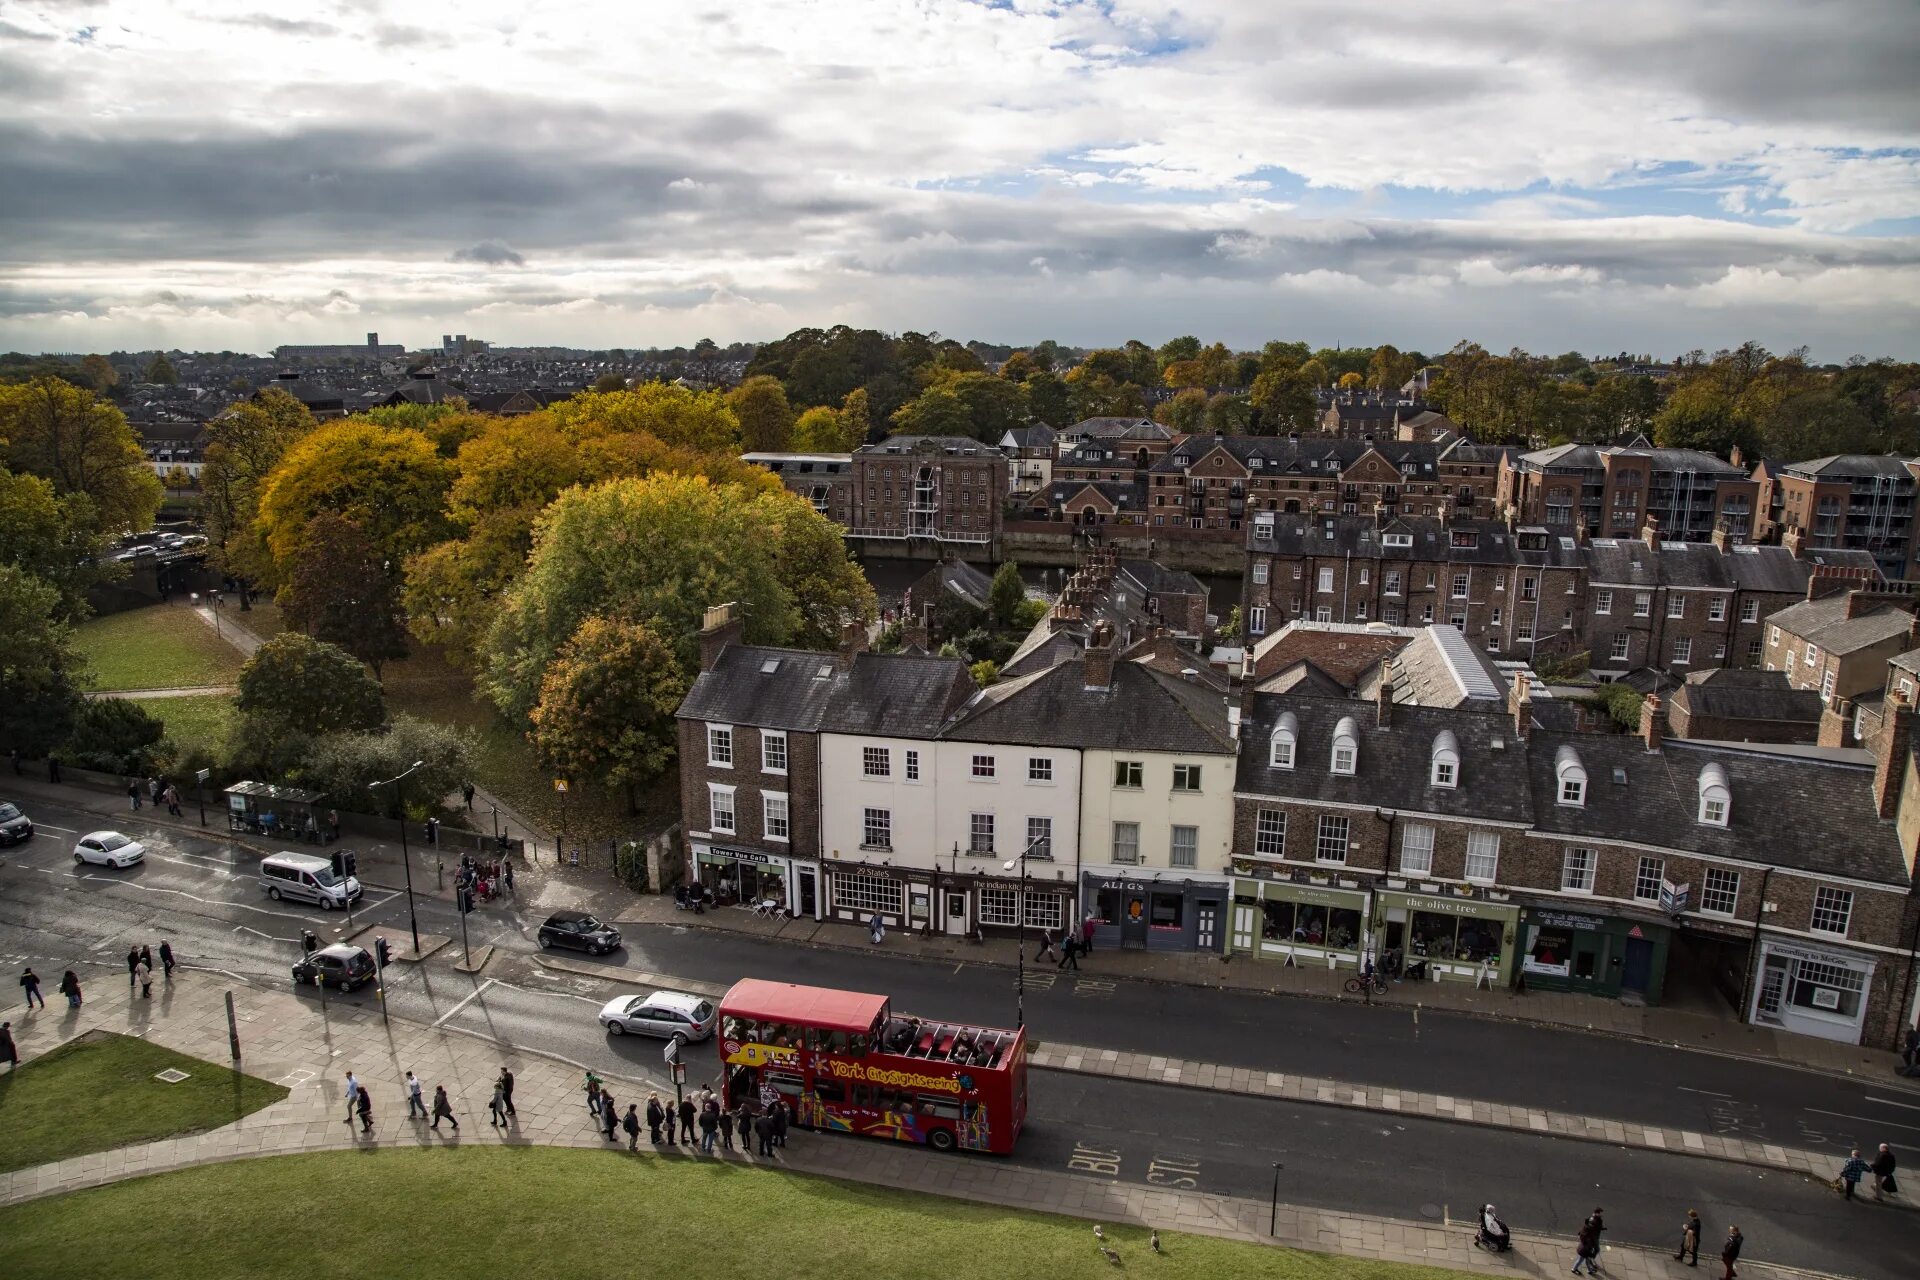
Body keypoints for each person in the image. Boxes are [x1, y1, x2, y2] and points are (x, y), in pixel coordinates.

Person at [1572, 1207, 1604, 1275]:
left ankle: (1589, 1270)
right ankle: (1574, 1269)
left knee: (1585, 1259)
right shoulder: (1589, 1239)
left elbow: (1586, 1229)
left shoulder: (1585, 1236)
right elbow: (1588, 1247)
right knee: (1582, 1260)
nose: (1601, 1214)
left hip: (1584, 1248)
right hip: (1585, 1249)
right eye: (1600, 1213)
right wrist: (1591, 1254)